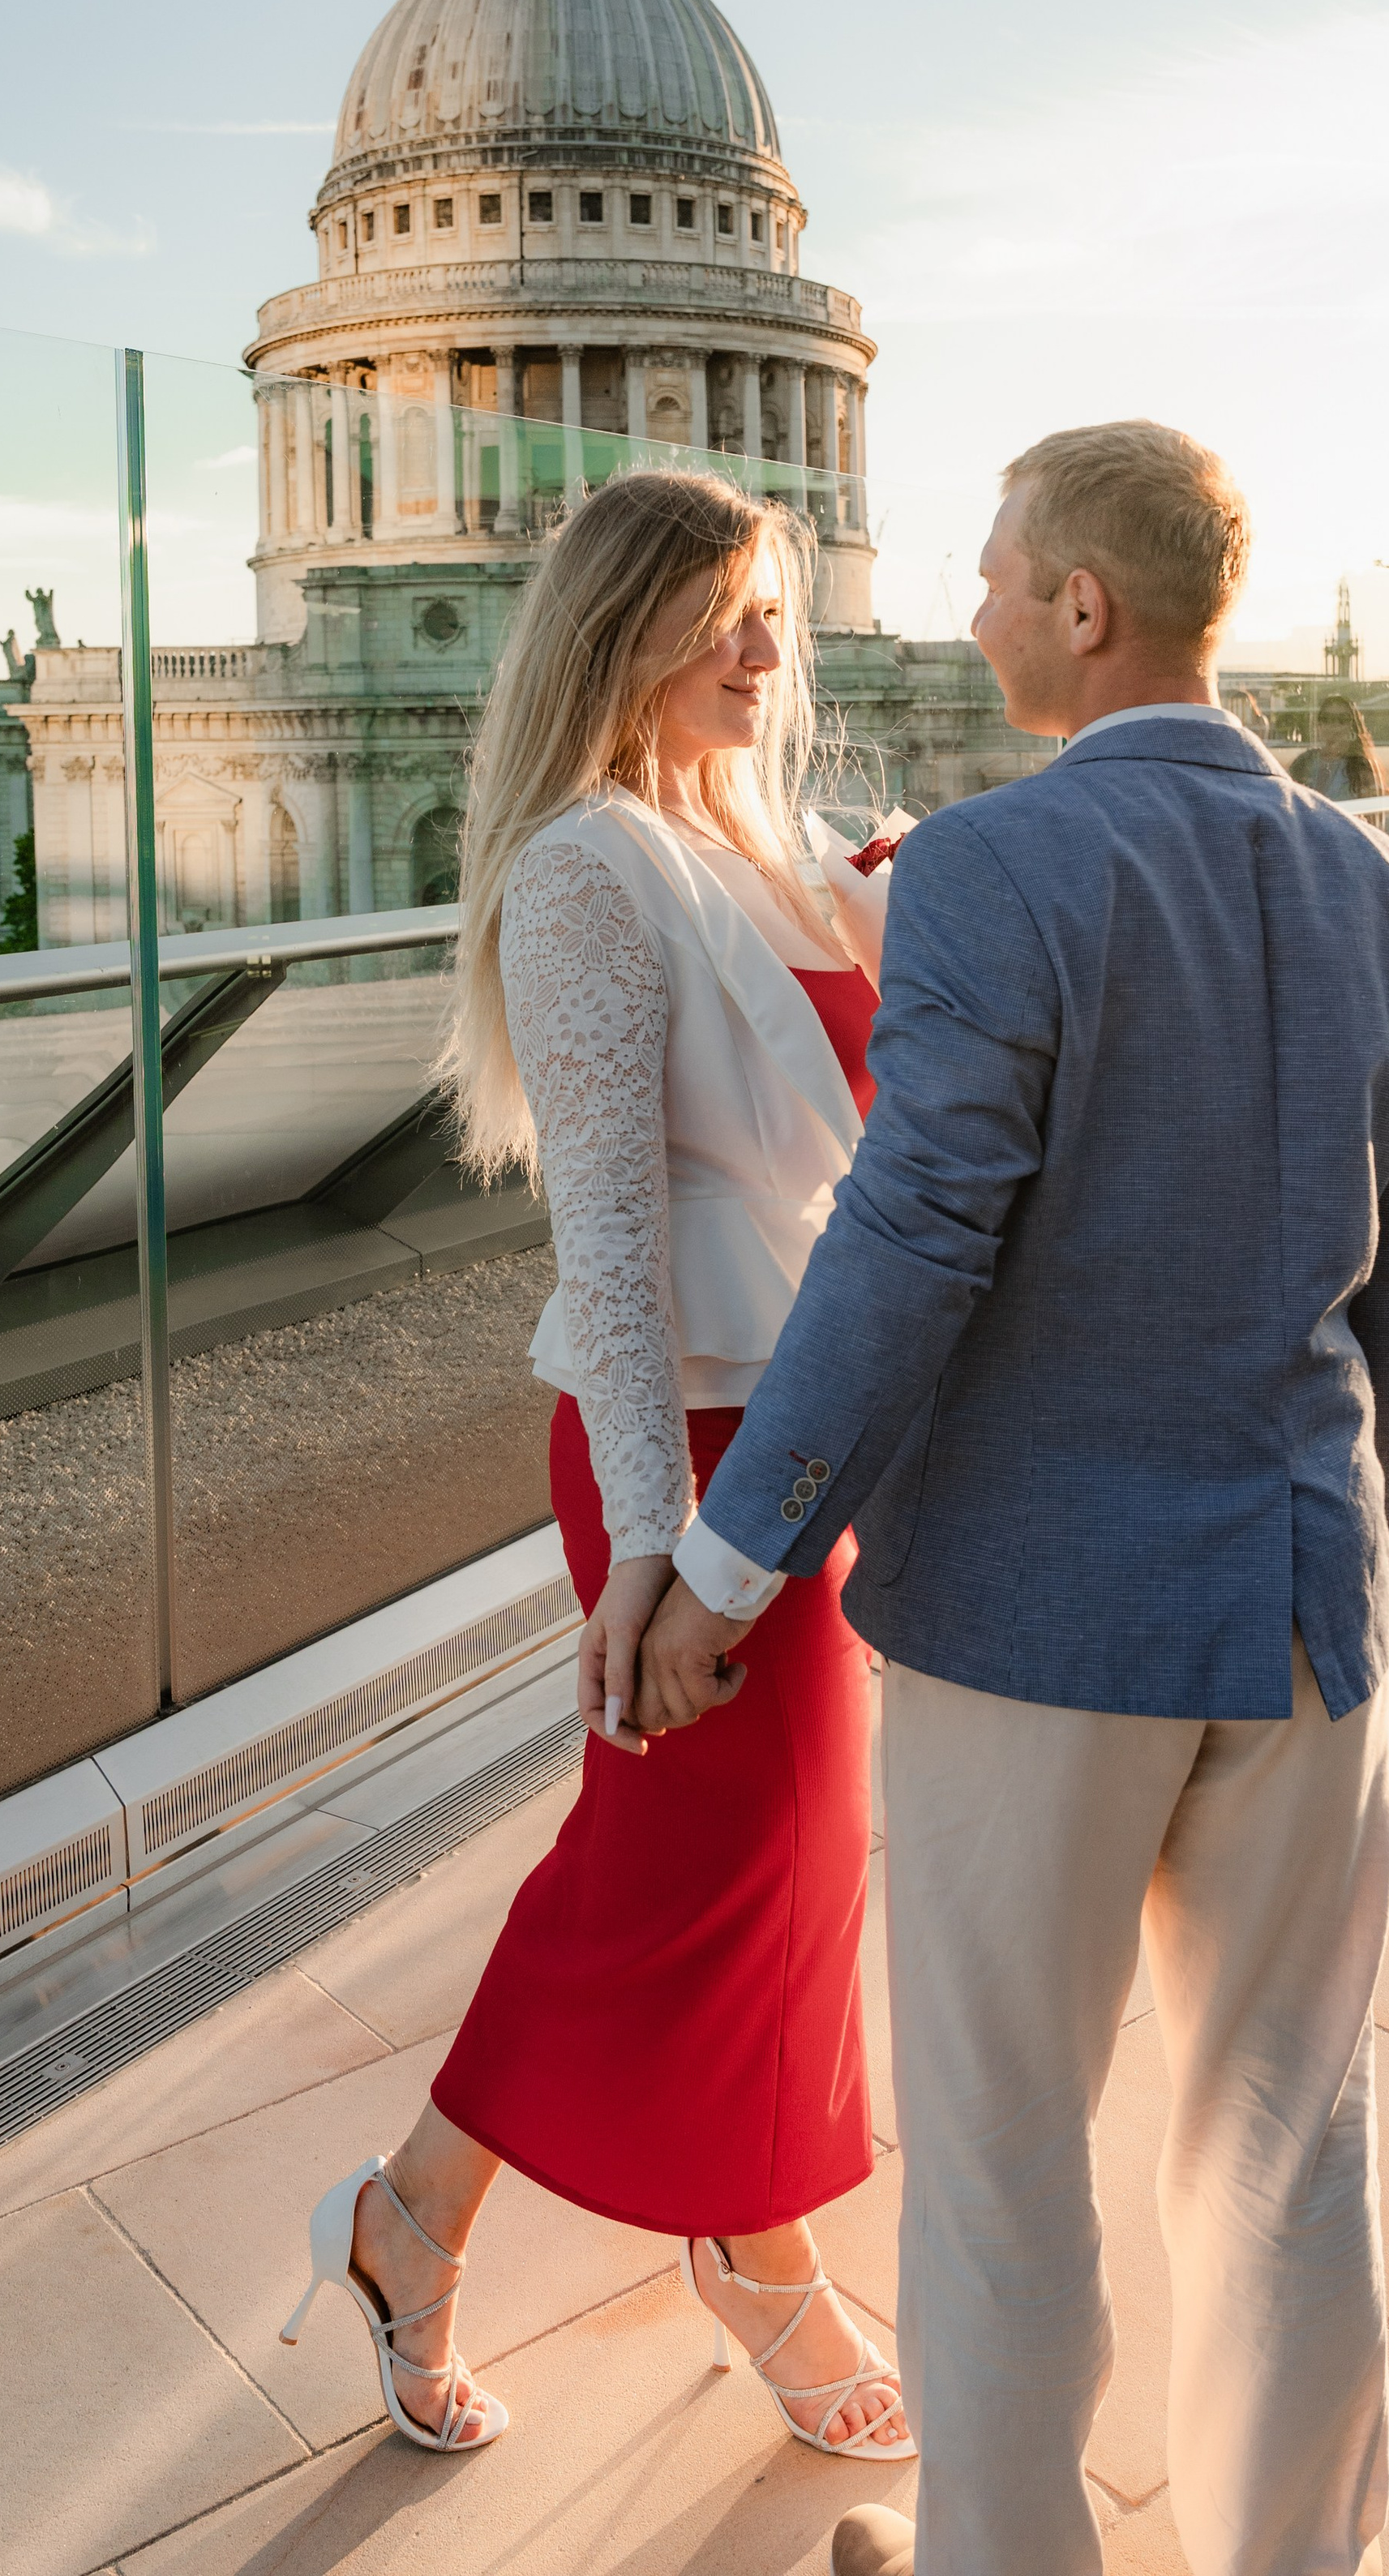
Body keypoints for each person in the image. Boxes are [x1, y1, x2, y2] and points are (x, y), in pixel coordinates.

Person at [634, 422, 1389, 2576]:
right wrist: (1332, 1525)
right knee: (1293, 2150)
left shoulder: (996, 871)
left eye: (1000, 576)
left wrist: (736, 1555)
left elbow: (913, 1235)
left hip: (1039, 1620)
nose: (974, 606)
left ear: (1081, 607)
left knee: (1005, 2164)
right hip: (1302, 1599)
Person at [279, 469, 915, 2468]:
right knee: (677, 1863)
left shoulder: (776, 839)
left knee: (774, 1860)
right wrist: (653, 1541)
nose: (762, 645)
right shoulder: (583, 869)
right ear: (614, 620)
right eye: (719, 608)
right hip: (698, 1443)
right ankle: (728, 2242)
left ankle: (473, 2225)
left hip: (806, 1425)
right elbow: (612, 1247)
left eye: (776, 612)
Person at [1290, 693, 1387, 799]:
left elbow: (1373, 812)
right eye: (1326, 719)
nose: (1334, 726)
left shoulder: (1362, 767)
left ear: (1353, 727)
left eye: (1342, 720)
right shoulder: (1304, 762)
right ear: (1319, 726)